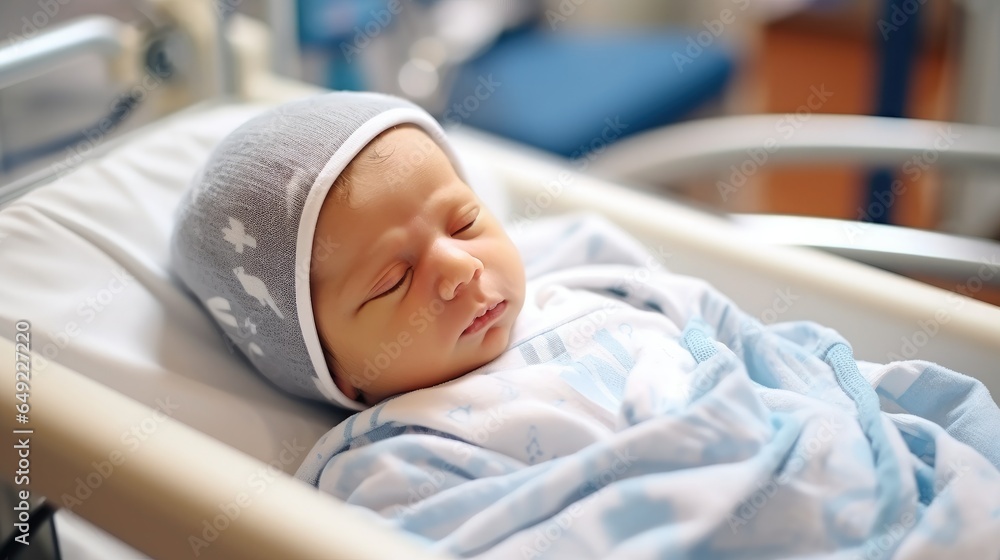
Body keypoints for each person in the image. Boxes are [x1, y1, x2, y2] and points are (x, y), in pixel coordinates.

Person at [171, 91, 1000, 558]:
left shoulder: (591, 285)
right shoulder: (393, 456)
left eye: (463, 225)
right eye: (393, 280)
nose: (460, 270)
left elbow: (755, 348)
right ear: (332, 371)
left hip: (867, 477)